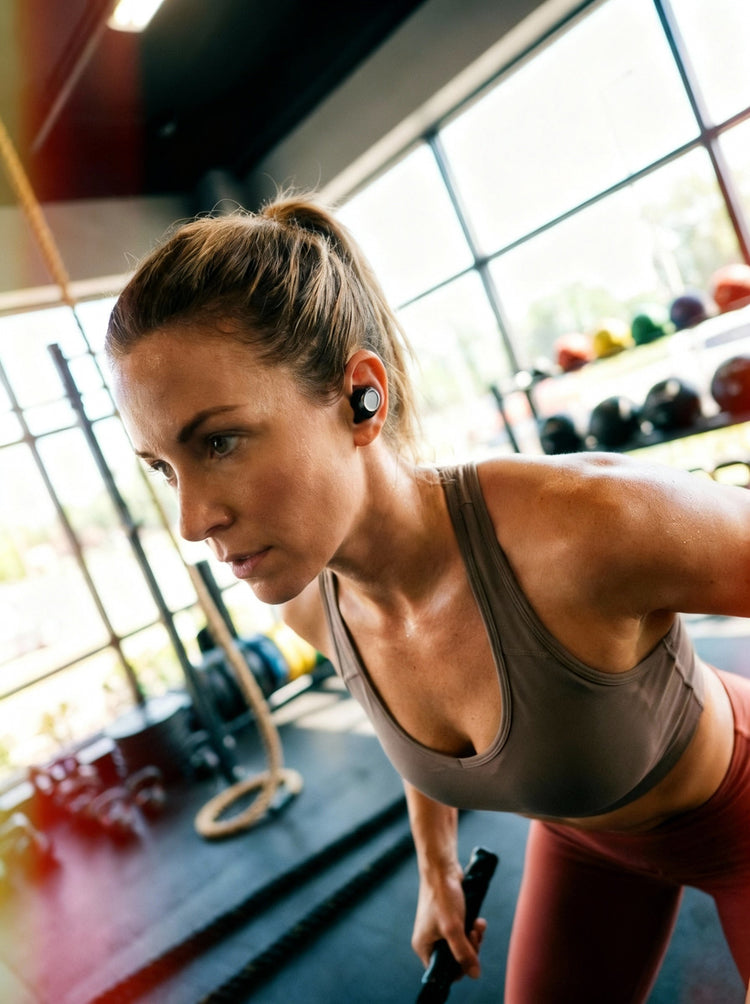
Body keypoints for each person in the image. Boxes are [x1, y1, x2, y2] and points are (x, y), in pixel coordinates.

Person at [106, 193, 750, 1003]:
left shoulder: (581, 529)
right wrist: (435, 866)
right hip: (587, 840)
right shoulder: (311, 602)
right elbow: (421, 708)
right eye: (164, 467)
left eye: (220, 441)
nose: (192, 521)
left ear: (358, 397)